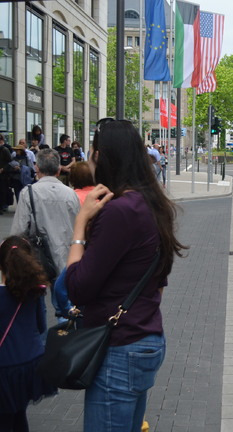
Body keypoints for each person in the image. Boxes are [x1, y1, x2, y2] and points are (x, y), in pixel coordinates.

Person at [65, 118, 187, 432]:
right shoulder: (152, 203)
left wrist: (80, 225)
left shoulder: (119, 211)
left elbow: (76, 288)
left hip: (118, 349)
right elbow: (159, 283)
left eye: (92, 151)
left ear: (101, 157)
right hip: (145, 338)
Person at [0, 236, 57, 431]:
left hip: (4, 367)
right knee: (18, 414)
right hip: (30, 363)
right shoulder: (34, 291)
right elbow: (41, 326)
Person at [10, 149, 80, 295]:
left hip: (39, 257)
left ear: (37, 168)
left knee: (37, 300)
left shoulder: (28, 193)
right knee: (66, 305)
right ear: (59, 169)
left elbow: (18, 231)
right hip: (67, 256)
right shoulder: (71, 194)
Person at [0, 134, 13, 215]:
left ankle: (2, 206)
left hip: (3, 175)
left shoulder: (4, 150)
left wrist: (3, 169)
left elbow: (10, 162)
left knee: (2, 191)